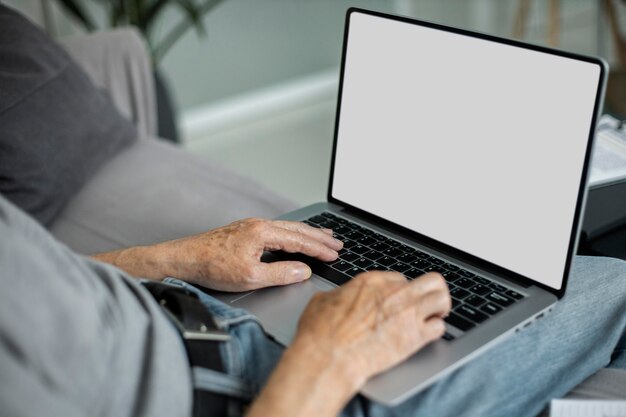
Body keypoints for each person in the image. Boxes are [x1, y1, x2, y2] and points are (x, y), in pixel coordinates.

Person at [1, 190, 626, 417]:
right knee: (614, 281)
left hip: (183, 306)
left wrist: (171, 259)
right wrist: (328, 357)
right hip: (273, 392)